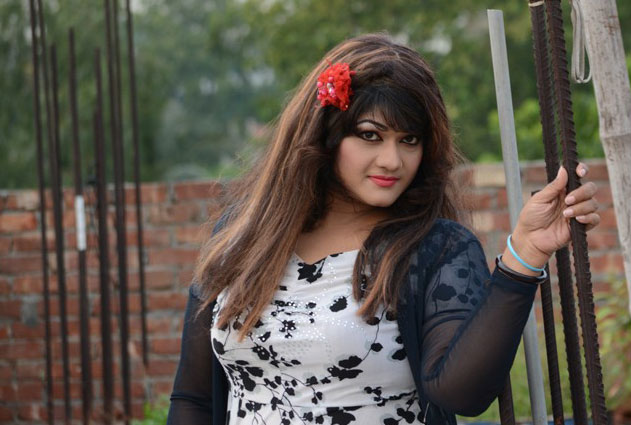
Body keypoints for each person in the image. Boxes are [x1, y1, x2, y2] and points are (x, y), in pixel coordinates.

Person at [167, 33, 600, 425]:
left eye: (409, 140)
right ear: (325, 134)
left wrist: (524, 256)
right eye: (371, 135)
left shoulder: (435, 249)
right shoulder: (241, 236)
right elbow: (193, 400)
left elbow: (461, 394)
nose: (393, 160)